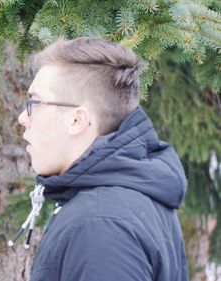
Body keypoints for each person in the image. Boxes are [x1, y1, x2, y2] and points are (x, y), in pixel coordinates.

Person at [15, 37, 188, 281]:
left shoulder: (101, 226)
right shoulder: (121, 204)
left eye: (33, 102)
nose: (23, 117)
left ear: (76, 120)